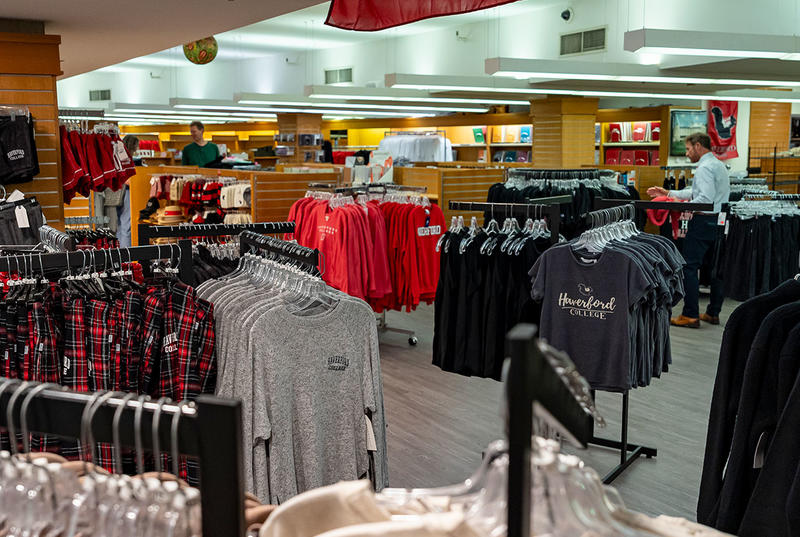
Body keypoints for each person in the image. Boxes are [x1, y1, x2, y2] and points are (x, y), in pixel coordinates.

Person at [647, 132, 730, 328]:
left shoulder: (704, 168)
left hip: (702, 222)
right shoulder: (718, 165)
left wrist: (679, 204)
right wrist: (668, 192)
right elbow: (697, 192)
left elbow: (704, 200)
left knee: (690, 268)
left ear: (699, 146)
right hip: (719, 222)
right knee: (715, 268)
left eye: (688, 148)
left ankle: (690, 314)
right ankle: (713, 313)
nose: (687, 153)